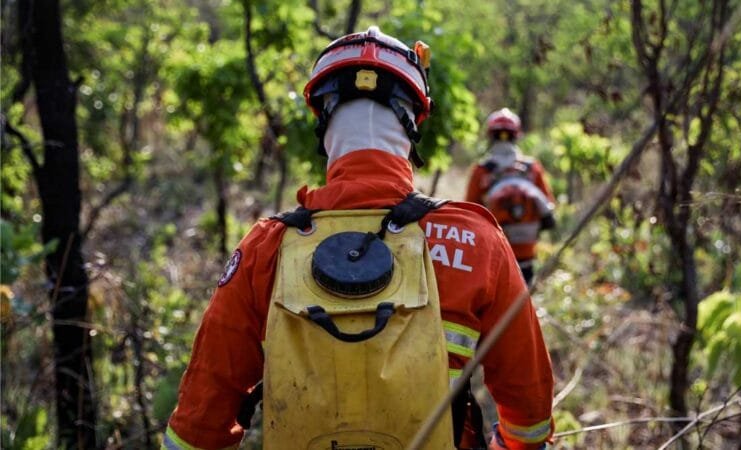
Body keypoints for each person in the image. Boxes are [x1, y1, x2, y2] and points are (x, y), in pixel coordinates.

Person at [162, 27, 554, 450]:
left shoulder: (266, 248)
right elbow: (529, 418)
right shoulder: (476, 240)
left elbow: (197, 428)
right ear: (414, 121)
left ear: (322, 118)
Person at [465, 109, 556, 284]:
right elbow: (548, 206)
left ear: (490, 135)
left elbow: (470, 213)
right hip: (527, 252)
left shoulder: (481, 170)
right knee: (523, 301)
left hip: (494, 252)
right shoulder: (532, 168)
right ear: (517, 135)